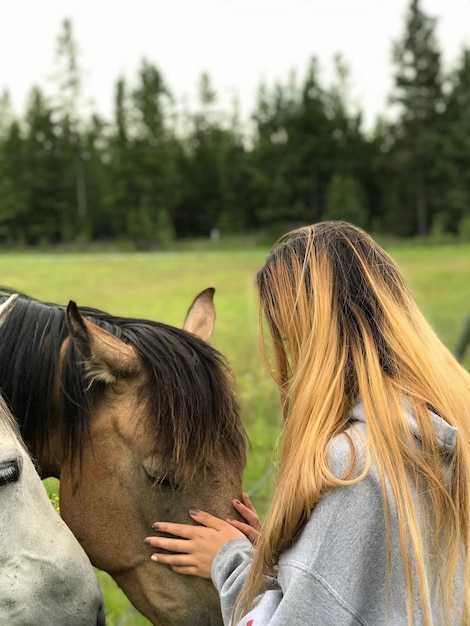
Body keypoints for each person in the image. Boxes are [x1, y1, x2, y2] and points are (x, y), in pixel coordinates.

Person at [144, 221, 470, 625]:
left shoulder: (354, 466)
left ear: (315, 336)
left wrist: (230, 561)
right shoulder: (442, 426)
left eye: (288, 335)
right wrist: (294, 554)